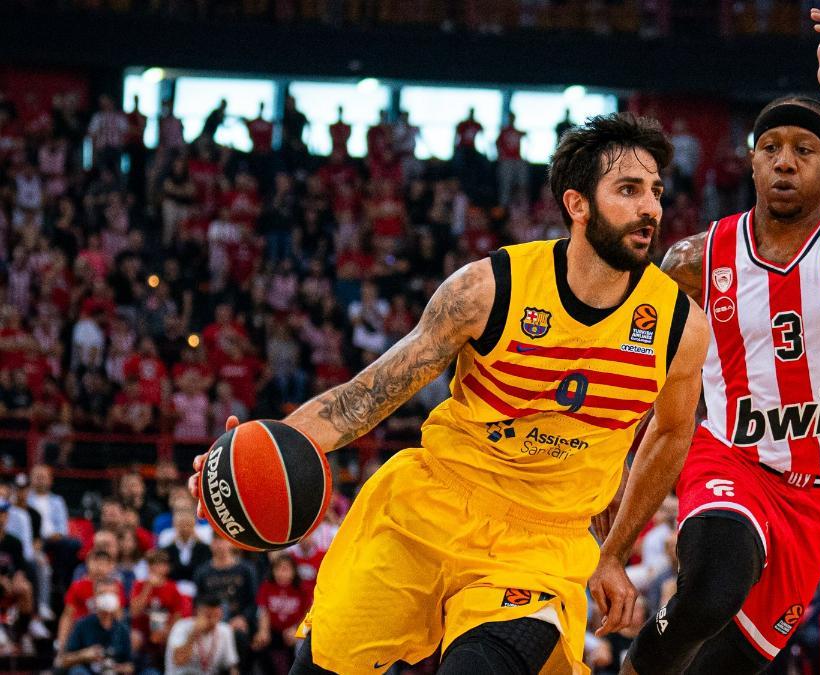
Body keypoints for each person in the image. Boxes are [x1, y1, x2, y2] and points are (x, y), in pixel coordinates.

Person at [188, 113, 709, 674]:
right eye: (628, 190)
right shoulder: (487, 289)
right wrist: (259, 454)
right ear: (577, 204)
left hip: (538, 547)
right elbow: (367, 396)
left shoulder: (680, 328)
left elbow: (673, 432)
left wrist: (613, 552)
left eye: (655, 191)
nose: (650, 207)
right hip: (431, 506)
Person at [622, 8, 820, 673]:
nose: (786, 162)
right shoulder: (693, 258)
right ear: (753, 162)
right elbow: (638, 371)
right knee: (706, 595)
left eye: (804, 150)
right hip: (732, 460)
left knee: (727, 666)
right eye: (773, 148)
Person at [58, 590, 134, 675]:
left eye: (111, 594)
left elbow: (130, 666)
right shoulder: (83, 625)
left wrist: (115, 667)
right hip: (87, 671)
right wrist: (84, 655)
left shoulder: (122, 628)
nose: (107, 598)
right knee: (77, 671)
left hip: (112, 671)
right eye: (103, 594)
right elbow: (63, 660)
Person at [166, 593, 240, 675]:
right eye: (208, 616)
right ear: (197, 612)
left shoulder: (225, 630)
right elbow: (178, 660)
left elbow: (231, 665)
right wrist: (194, 633)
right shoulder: (181, 627)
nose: (212, 621)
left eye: (216, 615)